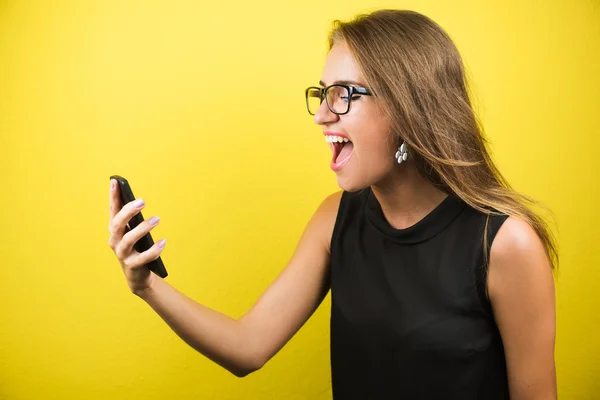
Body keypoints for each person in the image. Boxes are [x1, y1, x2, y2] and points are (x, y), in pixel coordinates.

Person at [107, 9, 557, 399]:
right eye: (322, 93)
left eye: (344, 94)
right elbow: (247, 347)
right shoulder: (335, 219)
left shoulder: (504, 243)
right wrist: (146, 285)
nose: (323, 114)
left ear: (407, 107)